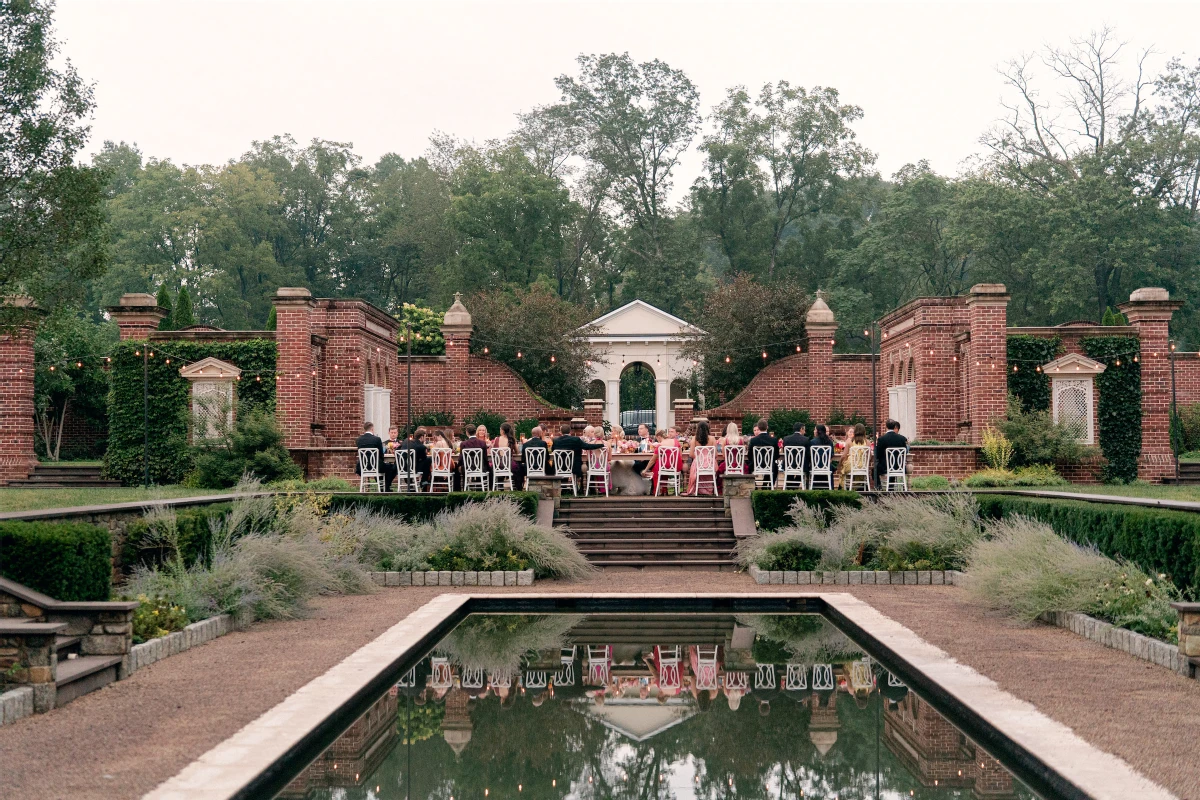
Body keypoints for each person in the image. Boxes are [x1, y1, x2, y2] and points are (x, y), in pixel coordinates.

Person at [355, 421, 397, 490]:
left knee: (384, 467)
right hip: (376, 466)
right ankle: (386, 486)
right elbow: (381, 454)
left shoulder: (359, 440)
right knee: (393, 467)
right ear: (372, 429)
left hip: (362, 467)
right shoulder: (377, 439)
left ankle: (383, 487)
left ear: (364, 429)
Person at [874, 418, 909, 487]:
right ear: (894, 427)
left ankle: (878, 488)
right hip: (899, 466)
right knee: (892, 463)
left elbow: (878, 455)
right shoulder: (902, 439)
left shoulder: (882, 439)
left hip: (885, 467)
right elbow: (905, 451)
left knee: (874, 470)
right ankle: (890, 488)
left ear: (886, 427)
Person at [686, 421, 716, 495]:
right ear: (707, 429)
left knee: (694, 466)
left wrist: (699, 458)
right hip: (710, 464)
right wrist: (708, 458)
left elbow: (691, 454)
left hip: (698, 464)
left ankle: (698, 490)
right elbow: (715, 454)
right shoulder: (712, 439)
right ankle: (709, 490)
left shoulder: (694, 439)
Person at [836, 423, 869, 488]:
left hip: (851, 465)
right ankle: (858, 486)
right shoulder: (867, 442)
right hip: (863, 466)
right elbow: (869, 456)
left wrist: (840, 464)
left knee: (843, 469)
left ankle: (844, 487)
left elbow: (844, 455)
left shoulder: (849, 441)